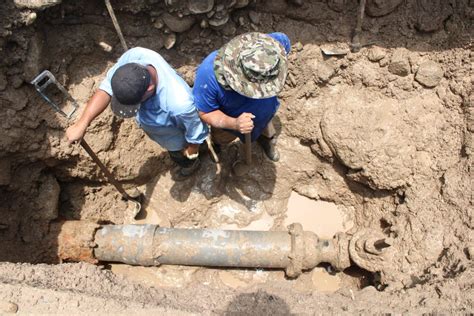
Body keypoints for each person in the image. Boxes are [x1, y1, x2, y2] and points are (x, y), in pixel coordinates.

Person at [66, 47, 209, 179]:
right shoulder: (136, 57)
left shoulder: (179, 103)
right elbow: (105, 89)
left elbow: (196, 130)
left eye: (135, 103)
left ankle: (191, 166)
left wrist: (192, 150)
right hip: (159, 127)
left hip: (174, 136)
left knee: (179, 156)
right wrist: (82, 123)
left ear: (149, 89)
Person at [193, 32, 290, 163]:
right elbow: (206, 112)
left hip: (265, 112)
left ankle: (266, 140)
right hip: (230, 119)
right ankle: (217, 145)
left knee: (265, 129)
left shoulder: (270, 45)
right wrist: (234, 124)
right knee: (222, 137)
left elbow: (285, 43)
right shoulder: (208, 75)